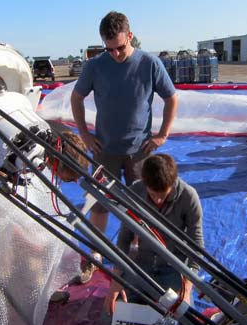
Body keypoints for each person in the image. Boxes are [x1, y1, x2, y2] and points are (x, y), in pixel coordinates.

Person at [70, 11, 178, 283]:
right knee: (99, 203)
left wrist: (162, 135)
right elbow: (76, 97)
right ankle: (96, 254)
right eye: (110, 49)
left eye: (120, 47)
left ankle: (140, 252)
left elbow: (171, 98)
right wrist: (84, 133)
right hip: (104, 149)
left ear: (130, 36)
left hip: (139, 151)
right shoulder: (95, 66)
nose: (116, 54)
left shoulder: (150, 63)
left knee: (143, 204)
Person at [103, 154, 204, 314]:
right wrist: (117, 280)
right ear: (145, 183)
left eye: (162, 195)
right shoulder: (135, 191)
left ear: (173, 183)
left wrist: (186, 288)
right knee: (112, 314)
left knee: (182, 318)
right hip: (141, 267)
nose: (157, 200)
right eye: (153, 194)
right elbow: (124, 238)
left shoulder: (189, 197)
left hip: (173, 268)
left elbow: (196, 247)